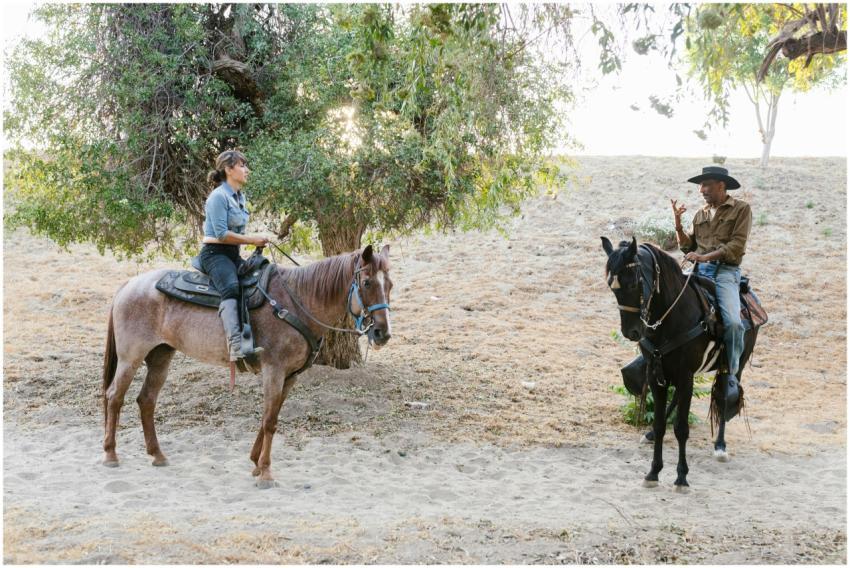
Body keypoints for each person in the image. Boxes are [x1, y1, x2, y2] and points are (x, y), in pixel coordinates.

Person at [671, 165, 752, 408]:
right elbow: (688, 247)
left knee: (735, 324)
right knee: (665, 302)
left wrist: (705, 257)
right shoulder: (700, 214)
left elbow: (736, 246)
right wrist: (677, 223)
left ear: (721, 185)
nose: (701, 190)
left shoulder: (741, 209)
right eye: (700, 185)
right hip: (697, 270)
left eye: (706, 185)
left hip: (725, 273)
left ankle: (730, 375)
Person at [200, 150, 269, 364]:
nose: (246, 170)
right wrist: (252, 240)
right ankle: (235, 345)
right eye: (242, 166)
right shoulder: (218, 197)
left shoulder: (239, 197)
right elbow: (221, 234)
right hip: (214, 254)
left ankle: (253, 335)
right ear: (229, 170)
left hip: (232, 254)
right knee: (230, 286)